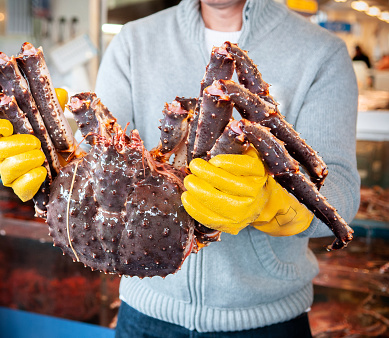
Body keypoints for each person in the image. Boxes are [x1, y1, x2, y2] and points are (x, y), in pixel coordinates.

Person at [92, 0, 360, 336]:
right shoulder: (133, 40)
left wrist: (269, 203)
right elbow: (95, 158)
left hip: (267, 322)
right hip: (143, 311)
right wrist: (45, 163)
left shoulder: (322, 52)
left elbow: (341, 192)